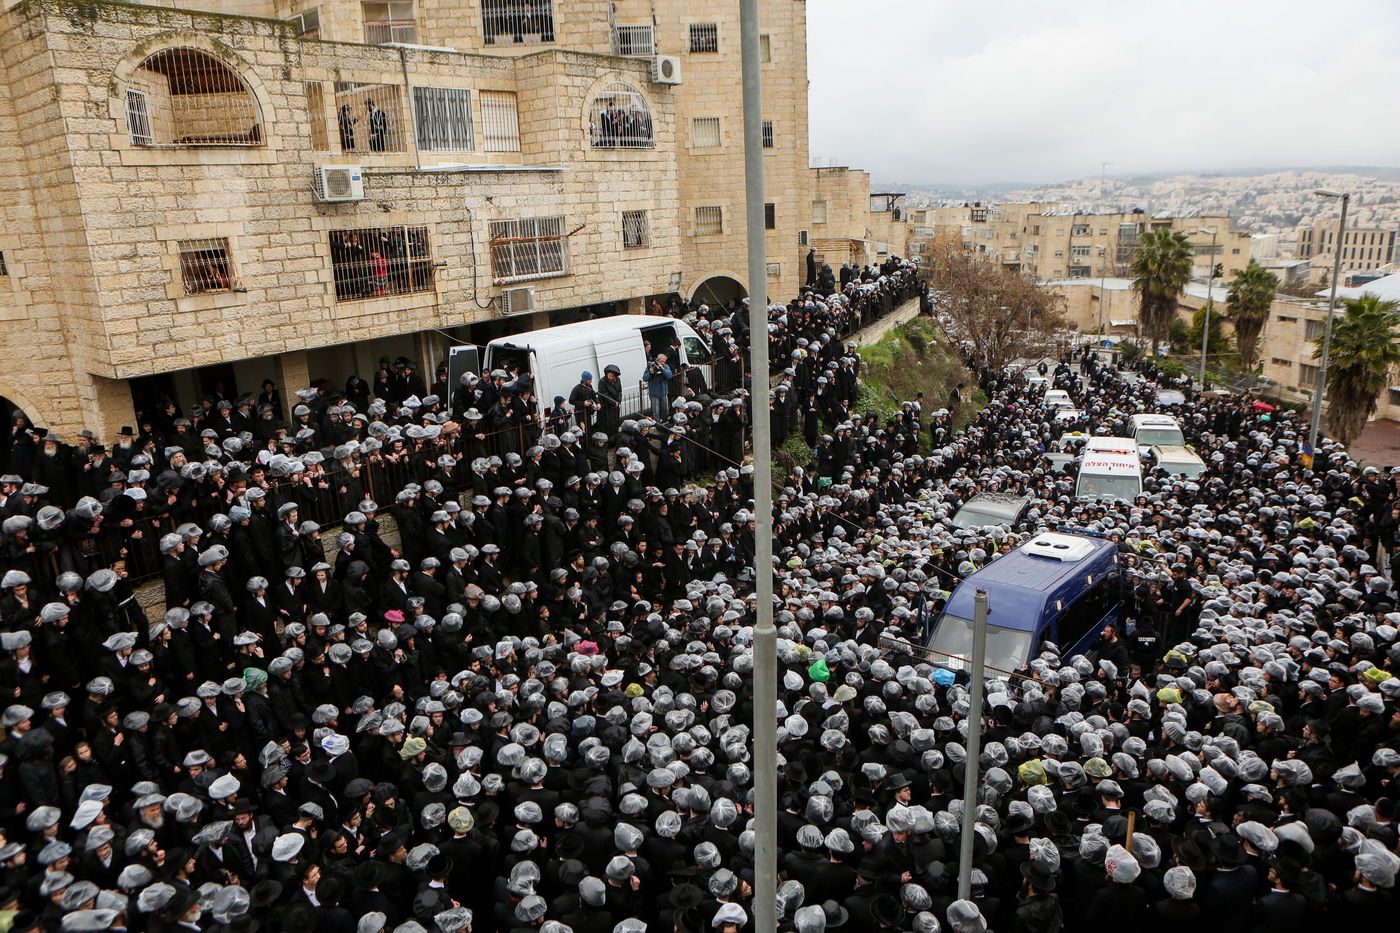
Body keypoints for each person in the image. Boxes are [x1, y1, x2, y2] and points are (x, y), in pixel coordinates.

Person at [642, 354, 672, 421]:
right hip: (654, 393)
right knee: (655, 412)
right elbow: (644, 378)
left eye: (664, 361)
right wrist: (650, 372)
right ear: (658, 361)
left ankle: (665, 422)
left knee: (665, 410)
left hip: (663, 393)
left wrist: (663, 369)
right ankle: (657, 425)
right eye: (662, 361)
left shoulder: (666, 366)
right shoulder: (650, 366)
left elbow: (669, 376)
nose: (663, 363)